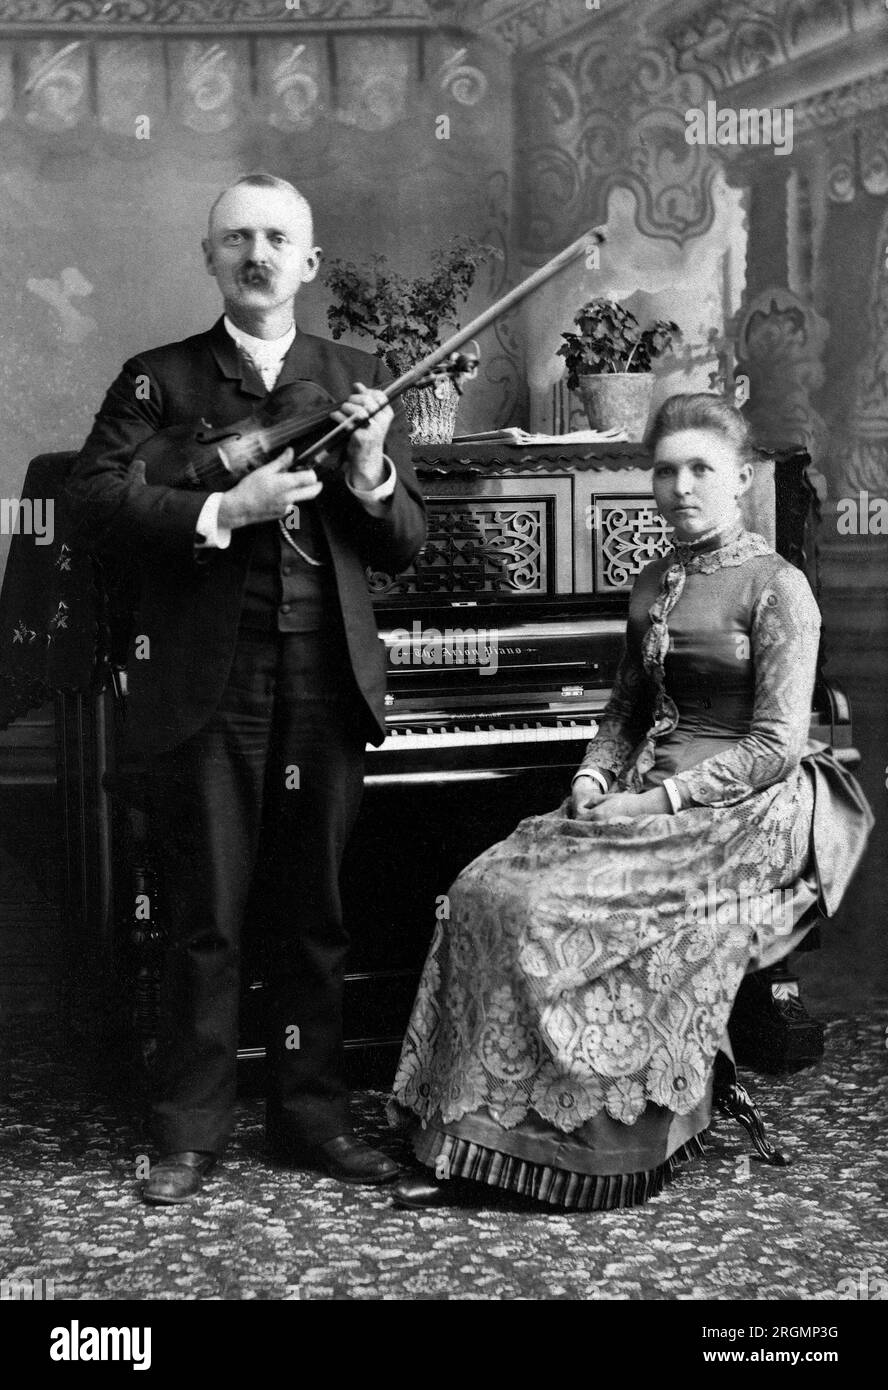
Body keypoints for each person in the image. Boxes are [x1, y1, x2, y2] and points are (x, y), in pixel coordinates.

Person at [389, 393, 873, 1211]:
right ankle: (480, 1134)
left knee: (553, 911)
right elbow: (625, 710)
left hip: (741, 812)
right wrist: (592, 778)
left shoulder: (777, 586)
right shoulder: (653, 579)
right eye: (663, 470)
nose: (679, 486)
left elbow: (775, 748)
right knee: (482, 889)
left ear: (743, 478)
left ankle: (581, 1146)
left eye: (700, 469)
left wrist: (652, 806)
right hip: (646, 796)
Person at [66, 173, 426, 1204]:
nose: (257, 254)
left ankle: (311, 1115)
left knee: (313, 913)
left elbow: (403, 546)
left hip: (325, 680)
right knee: (205, 913)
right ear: (211, 259)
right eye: (237, 239)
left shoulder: (360, 376)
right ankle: (189, 1127)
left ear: (309, 263)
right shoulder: (157, 378)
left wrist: (369, 473)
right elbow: (92, 505)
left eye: (277, 239)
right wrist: (229, 505)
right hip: (205, 686)